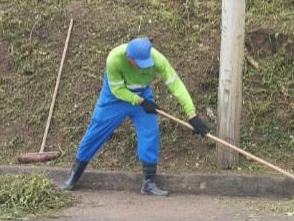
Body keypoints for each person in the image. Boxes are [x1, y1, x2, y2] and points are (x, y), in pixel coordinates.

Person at [61, 36, 209, 196]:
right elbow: (118, 90)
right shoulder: (114, 59)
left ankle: (149, 183)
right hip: (114, 98)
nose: (144, 66)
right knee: (95, 132)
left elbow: (176, 84)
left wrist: (192, 115)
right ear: (129, 58)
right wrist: (140, 101)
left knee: (150, 133)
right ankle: (73, 177)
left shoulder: (156, 59)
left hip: (142, 95)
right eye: (140, 62)